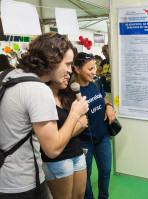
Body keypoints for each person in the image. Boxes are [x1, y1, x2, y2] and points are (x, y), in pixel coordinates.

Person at [0, 32, 89, 199]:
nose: (70, 70)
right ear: (52, 59)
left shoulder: (7, 75)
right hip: (22, 184)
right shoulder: (38, 89)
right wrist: (75, 114)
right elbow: (53, 149)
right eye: (68, 64)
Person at [73, 52, 115, 199]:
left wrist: (109, 106)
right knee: (86, 175)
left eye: (94, 68)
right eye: (90, 69)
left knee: (105, 171)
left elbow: (103, 98)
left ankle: (104, 197)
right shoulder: (72, 91)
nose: (94, 72)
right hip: (84, 141)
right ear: (77, 69)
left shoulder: (96, 82)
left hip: (102, 137)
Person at [41, 75, 88, 199]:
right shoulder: (42, 100)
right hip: (57, 160)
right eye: (65, 66)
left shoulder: (68, 94)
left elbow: (85, 121)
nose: (68, 74)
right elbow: (51, 143)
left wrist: (61, 135)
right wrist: (76, 122)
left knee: (79, 195)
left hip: (77, 153)